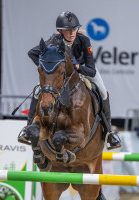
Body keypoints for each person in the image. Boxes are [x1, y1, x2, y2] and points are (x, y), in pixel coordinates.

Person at [19, 11, 121, 149]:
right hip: (59, 76)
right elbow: (32, 53)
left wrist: (77, 67)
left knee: (103, 91)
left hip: (83, 71)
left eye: (74, 29)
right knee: (38, 90)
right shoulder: (53, 41)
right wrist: (47, 69)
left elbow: (91, 69)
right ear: (60, 31)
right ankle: (28, 128)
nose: (72, 32)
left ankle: (109, 132)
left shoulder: (84, 41)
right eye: (68, 30)